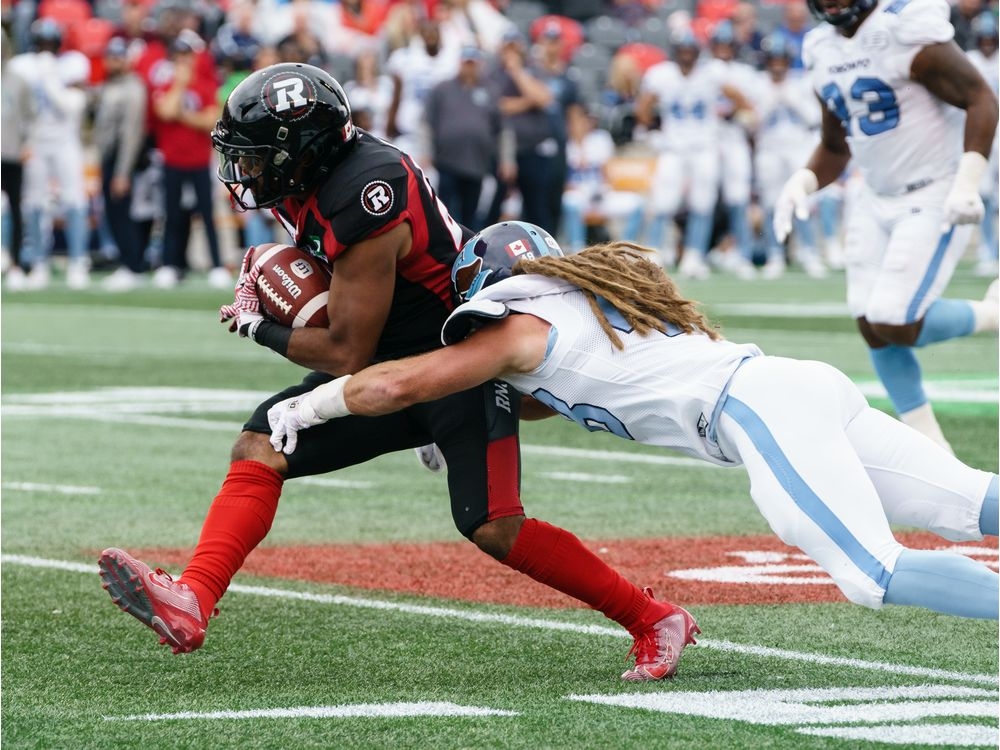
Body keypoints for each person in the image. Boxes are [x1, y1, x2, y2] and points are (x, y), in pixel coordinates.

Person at [98, 63, 700, 684]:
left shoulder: (366, 190)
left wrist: (260, 325)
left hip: (458, 358)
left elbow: (345, 354)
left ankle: (655, 618)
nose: (246, 172)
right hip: (393, 352)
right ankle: (193, 598)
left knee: (492, 524)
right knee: (260, 446)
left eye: (257, 158)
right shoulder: (314, 175)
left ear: (301, 152)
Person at [268, 221, 1000, 623]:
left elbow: (398, 382)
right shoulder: (587, 304)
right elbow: (551, 395)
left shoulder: (516, 323)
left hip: (754, 411)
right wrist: (442, 425)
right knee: (970, 503)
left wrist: (311, 400)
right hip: (793, 388)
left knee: (871, 575)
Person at [774, 0, 1000, 452]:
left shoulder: (903, 28)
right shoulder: (821, 48)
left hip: (933, 189)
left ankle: (994, 315)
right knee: (870, 323)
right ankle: (931, 447)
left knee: (895, 319)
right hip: (875, 197)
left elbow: (981, 97)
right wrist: (802, 180)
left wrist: (967, 181)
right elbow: (835, 145)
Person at [635, 29, 754, 278]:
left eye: (691, 50)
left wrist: (728, 116)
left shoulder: (711, 73)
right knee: (663, 200)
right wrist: (653, 127)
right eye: (683, 50)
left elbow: (741, 100)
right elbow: (643, 106)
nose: (687, 55)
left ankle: (694, 255)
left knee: (703, 203)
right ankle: (654, 253)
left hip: (703, 148)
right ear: (675, 51)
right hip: (674, 149)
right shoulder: (663, 75)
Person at [10, 19, 91, 290]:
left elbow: (73, 105)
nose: (46, 48)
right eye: (41, 43)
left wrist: (50, 80)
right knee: (33, 201)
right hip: (36, 139)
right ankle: (39, 263)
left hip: (65, 139)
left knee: (74, 198)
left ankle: (78, 261)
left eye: (50, 43)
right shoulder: (21, 66)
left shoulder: (72, 63)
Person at [150, 29, 230, 289]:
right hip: (172, 160)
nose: (184, 60)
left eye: (188, 54)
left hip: (198, 160)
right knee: (171, 215)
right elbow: (165, 111)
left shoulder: (206, 84)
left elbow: (210, 119)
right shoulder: (167, 83)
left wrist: (183, 116)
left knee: (207, 215)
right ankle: (169, 264)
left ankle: (217, 265)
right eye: (180, 54)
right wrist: (180, 84)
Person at [751, 33, 827, 280]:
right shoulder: (757, 83)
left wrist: (792, 101)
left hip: (797, 147)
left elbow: (814, 118)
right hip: (769, 149)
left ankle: (810, 253)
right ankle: (775, 255)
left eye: (780, 59)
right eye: (773, 59)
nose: (777, 64)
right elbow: (751, 123)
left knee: (802, 200)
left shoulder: (801, 83)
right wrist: (769, 104)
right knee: (772, 203)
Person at [422, 45, 511, 231]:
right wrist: (425, 152)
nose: (469, 68)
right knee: (445, 212)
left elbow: (503, 129)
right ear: (460, 63)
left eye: (473, 63)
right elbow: (426, 123)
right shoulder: (442, 89)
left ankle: (468, 250)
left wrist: (507, 160)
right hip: (447, 162)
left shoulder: (491, 91)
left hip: (478, 165)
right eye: (466, 63)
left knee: (472, 213)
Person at [94, 36, 149, 292]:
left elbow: (131, 132)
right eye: (111, 56)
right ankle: (128, 263)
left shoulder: (133, 87)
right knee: (113, 213)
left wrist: (122, 172)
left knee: (122, 213)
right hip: (108, 155)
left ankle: (133, 265)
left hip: (121, 158)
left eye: (118, 56)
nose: (113, 61)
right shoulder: (108, 85)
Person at [1, 27, 35, 292]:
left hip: (12, 154)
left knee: (15, 210)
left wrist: (27, 144)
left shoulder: (19, 81)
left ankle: (14, 264)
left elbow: (30, 117)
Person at [966, 11, 999, 279]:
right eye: (984, 38)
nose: (987, 42)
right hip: (983, 134)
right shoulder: (969, 61)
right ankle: (987, 251)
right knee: (984, 196)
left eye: (992, 38)